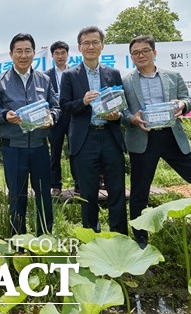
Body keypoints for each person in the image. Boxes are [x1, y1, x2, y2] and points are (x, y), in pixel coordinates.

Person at [122, 35, 191, 248]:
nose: (141, 55)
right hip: (143, 137)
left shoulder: (173, 76)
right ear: (131, 57)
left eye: (145, 51)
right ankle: (140, 236)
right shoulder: (126, 81)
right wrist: (131, 119)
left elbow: (188, 99)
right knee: (139, 192)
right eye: (136, 53)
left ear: (154, 52)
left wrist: (182, 103)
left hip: (172, 136)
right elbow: (123, 110)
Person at [0, 33, 58, 236]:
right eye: (19, 51)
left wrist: (51, 117)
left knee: (43, 195)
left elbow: (56, 107)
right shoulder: (0, 81)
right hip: (13, 147)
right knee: (17, 197)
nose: (23, 55)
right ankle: (18, 241)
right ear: (11, 54)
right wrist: (4, 115)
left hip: (39, 147)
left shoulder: (44, 80)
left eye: (27, 50)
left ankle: (45, 238)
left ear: (34, 53)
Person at [59, 26, 127, 234]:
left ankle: (119, 235)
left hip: (110, 135)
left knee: (116, 189)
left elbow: (121, 102)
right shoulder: (70, 75)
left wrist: (118, 115)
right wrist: (83, 101)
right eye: (86, 43)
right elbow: (64, 105)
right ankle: (91, 235)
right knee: (88, 192)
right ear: (79, 47)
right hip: (85, 137)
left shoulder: (113, 73)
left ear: (102, 45)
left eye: (95, 42)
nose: (91, 46)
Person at [45, 40, 76, 197]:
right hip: (55, 118)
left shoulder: (75, 72)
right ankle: (55, 185)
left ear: (68, 55)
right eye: (57, 53)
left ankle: (79, 183)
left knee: (75, 150)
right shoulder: (46, 75)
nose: (60, 56)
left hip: (73, 116)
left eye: (63, 53)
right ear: (52, 56)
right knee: (55, 152)